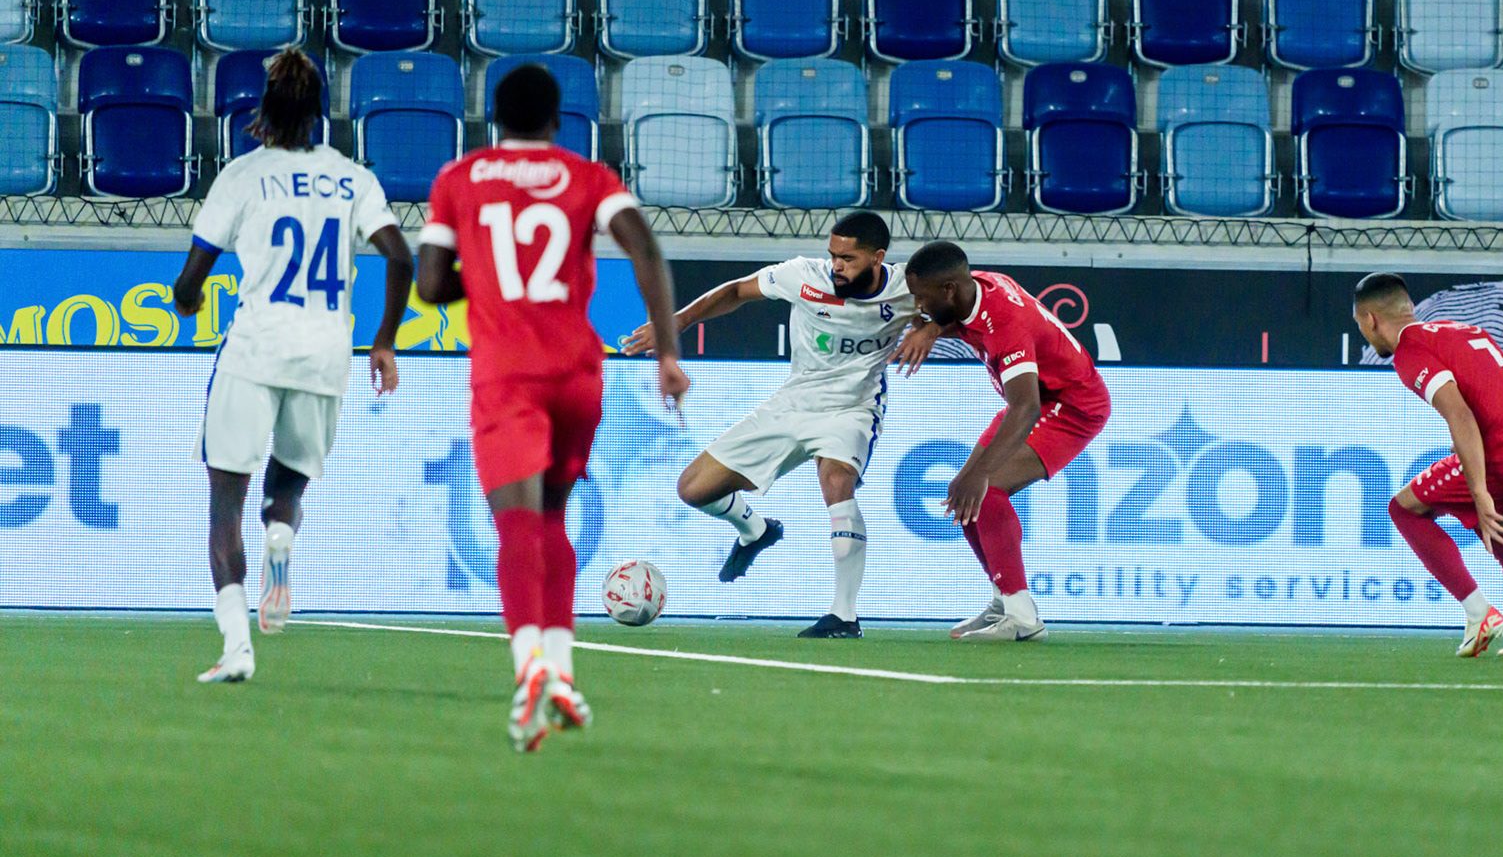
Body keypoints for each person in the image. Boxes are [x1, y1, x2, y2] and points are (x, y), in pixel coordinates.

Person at [415, 63, 688, 752]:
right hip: (578, 373)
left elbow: (428, 284)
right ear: (558, 120)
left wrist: (481, 273)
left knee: (516, 527)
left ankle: (530, 670)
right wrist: (667, 355)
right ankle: (562, 674)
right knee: (554, 520)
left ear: (492, 120)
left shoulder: (459, 179)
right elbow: (645, 247)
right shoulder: (589, 177)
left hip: (508, 376)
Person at [175, 49, 413, 684]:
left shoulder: (243, 175)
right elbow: (400, 256)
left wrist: (189, 297)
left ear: (265, 108)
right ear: (319, 112)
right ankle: (283, 538)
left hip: (255, 348)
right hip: (325, 351)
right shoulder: (352, 177)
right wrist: (384, 341)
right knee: (288, 489)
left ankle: (236, 647)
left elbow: (192, 275)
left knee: (225, 503)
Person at [620, 212, 918, 639]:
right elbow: (736, 291)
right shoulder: (803, 276)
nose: (836, 265)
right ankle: (755, 530)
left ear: (878, 258)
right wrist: (675, 324)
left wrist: (927, 326)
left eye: (848, 259)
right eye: (833, 255)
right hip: (793, 402)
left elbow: (956, 293)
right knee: (693, 489)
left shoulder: (907, 286)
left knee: (836, 482)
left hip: (853, 408)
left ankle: (844, 615)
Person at [1352, 272, 1503, 659]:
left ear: (1370, 319)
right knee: (1490, 525)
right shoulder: (1454, 328)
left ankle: (1478, 613)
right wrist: (1480, 498)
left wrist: (1480, 492)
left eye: (1360, 326)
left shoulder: (1409, 354)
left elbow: (1461, 416)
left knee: (1404, 509)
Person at [897, 242, 1110, 642]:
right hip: (1039, 399)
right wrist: (930, 327)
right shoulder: (976, 286)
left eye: (922, 298)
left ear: (947, 290)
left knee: (986, 488)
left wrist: (981, 473)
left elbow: (1025, 409)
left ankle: (1023, 617)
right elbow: (957, 315)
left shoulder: (1006, 324)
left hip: (1071, 405)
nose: (917, 305)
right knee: (962, 492)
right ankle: (1002, 601)